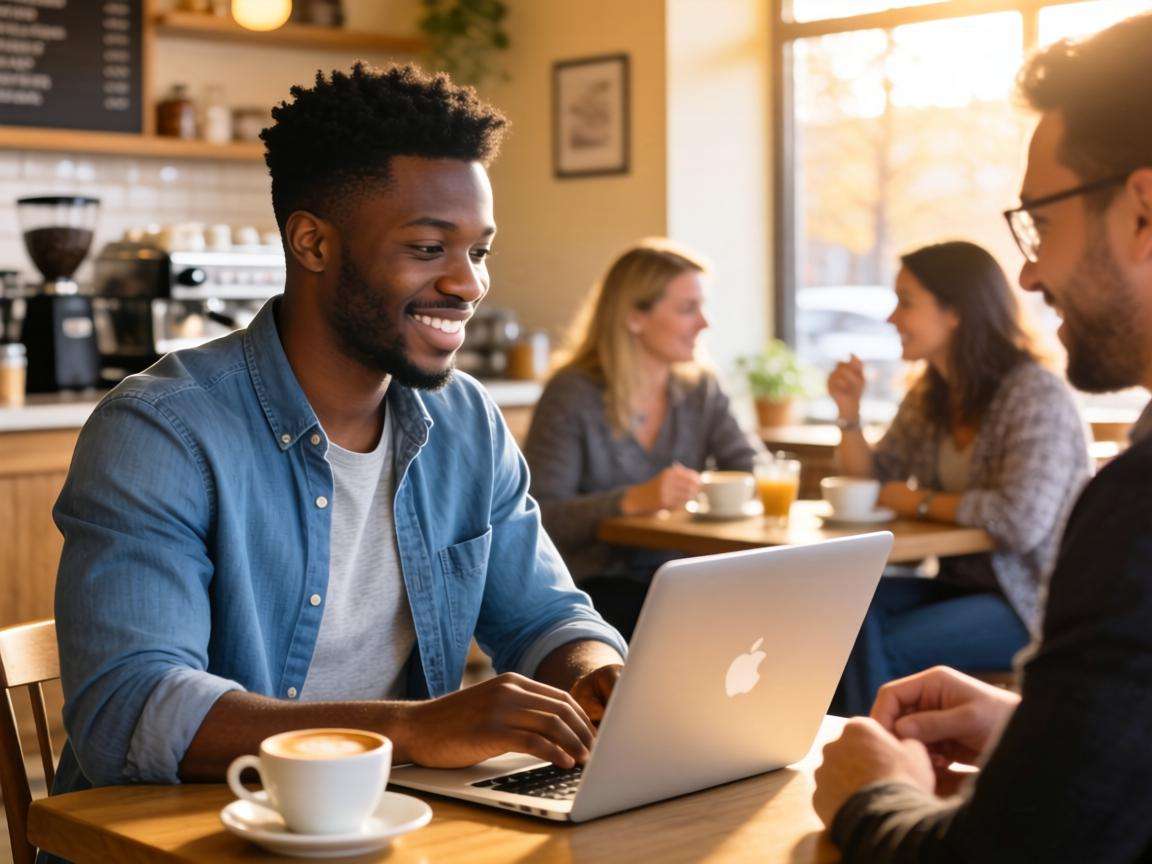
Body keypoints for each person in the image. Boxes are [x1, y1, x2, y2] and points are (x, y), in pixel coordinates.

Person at [49, 64, 628, 804]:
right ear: (313, 245)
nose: (469, 283)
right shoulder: (161, 432)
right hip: (195, 834)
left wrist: (592, 675)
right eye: (428, 248)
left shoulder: (465, 421)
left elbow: (547, 616)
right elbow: (128, 710)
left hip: (390, 822)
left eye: (478, 251)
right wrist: (411, 731)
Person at [814, 12, 1152, 861]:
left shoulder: (1135, 502)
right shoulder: (934, 396)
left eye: (1041, 221)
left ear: (1143, 208)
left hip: (1005, 595)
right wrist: (1041, 734)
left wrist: (873, 796)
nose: (1031, 271)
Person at [826, 241, 1089, 715]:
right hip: (958, 586)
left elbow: (1019, 520)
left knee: (874, 644)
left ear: (956, 312)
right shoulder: (931, 395)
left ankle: (879, 770)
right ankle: (869, 762)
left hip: (1030, 602)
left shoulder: (1035, 395)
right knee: (839, 607)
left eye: (906, 302)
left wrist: (916, 501)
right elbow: (873, 483)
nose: (891, 319)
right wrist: (849, 416)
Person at [524, 239, 760, 639]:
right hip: (590, 589)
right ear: (635, 317)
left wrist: (708, 493)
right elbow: (541, 517)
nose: (705, 323)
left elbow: (749, 466)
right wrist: (632, 500)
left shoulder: (700, 387)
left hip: (682, 578)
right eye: (688, 309)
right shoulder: (572, 393)